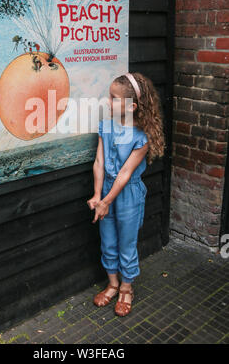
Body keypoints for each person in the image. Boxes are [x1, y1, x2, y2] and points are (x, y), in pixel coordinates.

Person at [87, 72, 165, 316]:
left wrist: (107, 201)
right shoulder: (106, 126)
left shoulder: (141, 138)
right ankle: (112, 284)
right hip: (107, 192)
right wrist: (98, 195)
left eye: (113, 98)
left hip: (128, 193)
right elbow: (99, 161)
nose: (108, 101)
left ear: (131, 106)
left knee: (126, 244)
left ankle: (126, 288)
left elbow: (125, 174)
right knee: (108, 240)